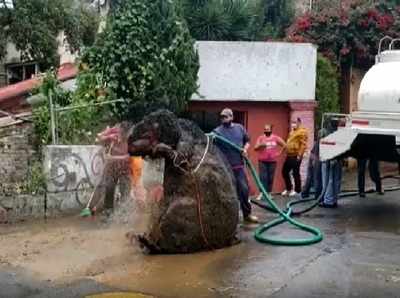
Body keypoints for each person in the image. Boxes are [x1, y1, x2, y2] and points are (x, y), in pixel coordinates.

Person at [213, 108, 258, 224]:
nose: (224, 119)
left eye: (226, 117)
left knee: (244, 190)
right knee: (225, 193)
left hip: (238, 166)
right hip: (224, 168)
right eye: (222, 117)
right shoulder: (217, 132)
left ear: (231, 117)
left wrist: (245, 149)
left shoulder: (240, 128)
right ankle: (226, 218)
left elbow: (247, 141)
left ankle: (247, 215)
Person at [89, 122, 132, 216]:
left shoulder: (131, 142)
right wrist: (107, 132)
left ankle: (125, 214)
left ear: (127, 133)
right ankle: (108, 212)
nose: (121, 135)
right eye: (120, 132)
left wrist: (112, 158)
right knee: (109, 188)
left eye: (123, 133)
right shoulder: (114, 137)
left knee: (125, 192)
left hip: (125, 171)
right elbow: (98, 139)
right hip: (111, 170)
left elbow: (128, 157)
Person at [254, 124, 286, 199]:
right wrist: (261, 145)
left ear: (271, 130)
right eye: (265, 129)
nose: (266, 130)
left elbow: (284, 145)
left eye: (268, 129)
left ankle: (269, 193)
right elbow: (255, 148)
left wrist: (279, 153)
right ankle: (261, 193)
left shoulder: (275, 138)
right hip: (262, 161)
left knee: (270, 178)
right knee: (263, 177)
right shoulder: (261, 138)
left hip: (272, 161)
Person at [281, 118, 308, 197]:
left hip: (296, 155)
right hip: (289, 155)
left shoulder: (302, 132)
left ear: (299, 122)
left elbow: (303, 144)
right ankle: (288, 188)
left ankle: (297, 190)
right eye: (292, 122)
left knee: (295, 172)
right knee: (284, 171)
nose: (293, 124)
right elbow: (288, 142)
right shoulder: (292, 131)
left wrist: (300, 155)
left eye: (295, 122)